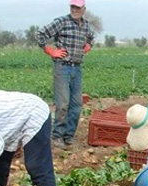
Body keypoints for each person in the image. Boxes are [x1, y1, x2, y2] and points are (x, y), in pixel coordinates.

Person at [35, 0, 95, 150]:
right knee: (63, 104)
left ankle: (68, 136)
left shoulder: (86, 25)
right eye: (73, 7)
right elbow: (40, 34)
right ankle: (57, 137)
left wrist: (86, 48)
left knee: (77, 104)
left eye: (78, 7)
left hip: (77, 68)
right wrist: (50, 51)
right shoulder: (62, 22)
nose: (75, 9)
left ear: (84, 9)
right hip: (62, 67)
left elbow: (91, 38)